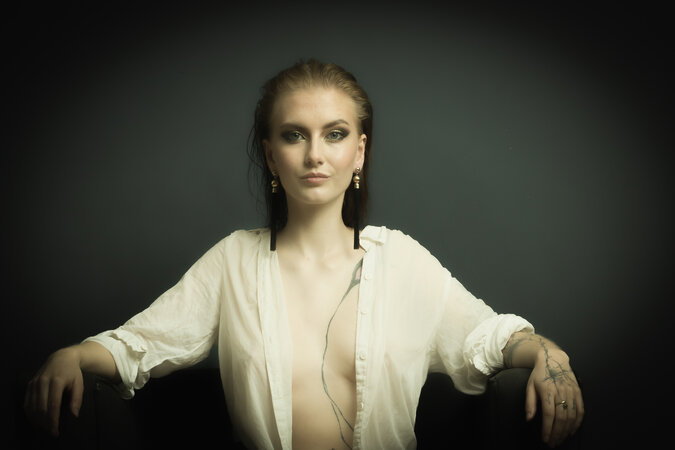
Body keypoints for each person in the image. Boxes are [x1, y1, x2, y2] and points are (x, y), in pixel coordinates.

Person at [24, 59, 584, 449]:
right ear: (271, 156)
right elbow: (141, 345)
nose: (315, 154)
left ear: (359, 151)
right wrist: (75, 355)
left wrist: (548, 356)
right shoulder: (234, 262)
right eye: (294, 135)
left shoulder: (403, 262)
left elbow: (490, 339)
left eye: (335, 134)